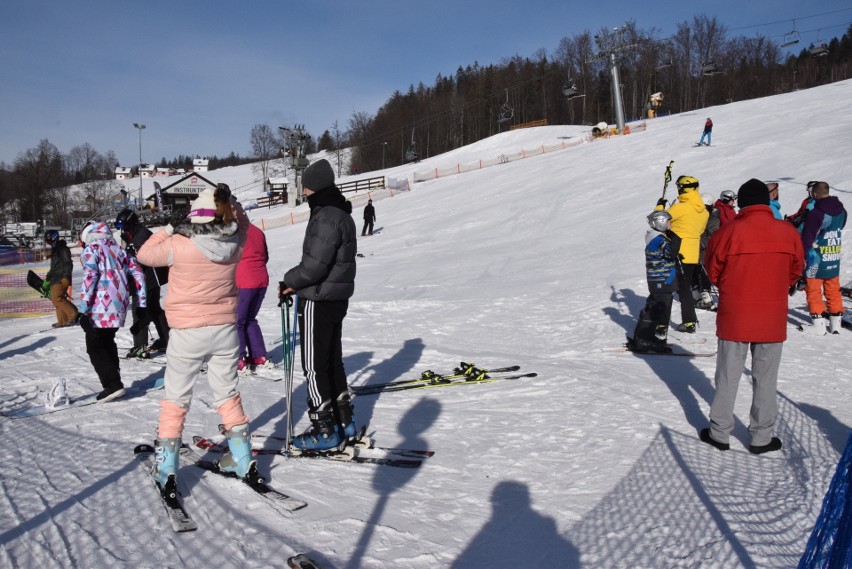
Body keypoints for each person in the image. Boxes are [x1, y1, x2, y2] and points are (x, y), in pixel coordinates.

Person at [137, 185, 257, 492]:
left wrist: (167, 227)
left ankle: (166, 469)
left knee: (176, 399)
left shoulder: (178, 243)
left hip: (188, 333)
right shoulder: (235, 242)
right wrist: (234, 208)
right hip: (225, 332)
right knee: (227, 393)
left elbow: (144, 254)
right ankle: (242, 459)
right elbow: (242, 224)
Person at [700, 179, 804, 454]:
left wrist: (731, 285)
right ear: (766, 202)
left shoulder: (728, 232)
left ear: (742, 202)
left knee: (727, 376)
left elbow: (712, 270)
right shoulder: (787, 232)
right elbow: (795, 270)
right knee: (766, 378)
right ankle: (761, 437)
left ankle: (719, 432)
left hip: (735, 314)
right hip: (771, 315)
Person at [278, 159, 357, 451]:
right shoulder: (341, 213)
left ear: (316, 185)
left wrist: (289, 280)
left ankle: (325, 429)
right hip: (336, 297)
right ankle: (344, 419)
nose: (304, 192)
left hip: (318, 298)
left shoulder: (325, 216)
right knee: (331, 361)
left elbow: (313, 266)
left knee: (313, 365)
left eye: (306, 186)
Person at [78, 221, 147, 402]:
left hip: (99, 305)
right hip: (119, 305)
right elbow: (139, 274)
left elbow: (90, 276)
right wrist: (141, 303)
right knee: (107, 341)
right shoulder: (121, 251)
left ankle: (112, 384)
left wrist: (83, 307)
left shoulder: (92, 249)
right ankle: (115, 380)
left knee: (95, 345)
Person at [655, 175, 709, 333]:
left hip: (675, 251)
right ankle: (690, 321)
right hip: (692, 254)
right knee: (684, 288)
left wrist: (660, 207)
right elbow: (698, 231)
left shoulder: (680, 208)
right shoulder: (703, 211)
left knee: (666, 288)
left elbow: (659, 222)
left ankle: (661, 324)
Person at [115, 209, 170, 357]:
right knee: (153, 310)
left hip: (147, 280)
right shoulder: (136, 234)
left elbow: (136, 259)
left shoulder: (142, 236)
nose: (123, 230)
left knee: (140, 312)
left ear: (131, 223)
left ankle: (140, 346)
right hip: (147, 279)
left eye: (125, 226)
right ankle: (167, 339)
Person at [627, 210, 681, 353]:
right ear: (661, 223)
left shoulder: (657, 237)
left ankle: (643, 337)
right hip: (660, 279)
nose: (671, 225)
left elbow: (666, 255)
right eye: (669, 222)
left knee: (655, 307)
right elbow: (670, 252)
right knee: (656, 309)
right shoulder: (658, 239)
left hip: (663, 279)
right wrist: (675, 238)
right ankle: (644, 340)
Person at [799, 181, 847, 335]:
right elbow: (840, 226)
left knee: (813, 290)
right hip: (833, 256)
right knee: (833, 289)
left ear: (814, 194)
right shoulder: (842, 211)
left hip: (816, 258)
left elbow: (807, 238)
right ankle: (836, 325)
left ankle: (819, 326)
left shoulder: (816, 213)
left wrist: (801, 255)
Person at [236, 222, 272, 373]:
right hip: (260, 279)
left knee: (237, 321)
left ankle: (239, 358)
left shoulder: (236, 231)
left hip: (244, 280)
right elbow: (265, 255)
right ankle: (258, 356)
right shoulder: (257, 231)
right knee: (250, 319)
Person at [44, 230, 79, 328]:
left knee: (57, 298)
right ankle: (62, 321)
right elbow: (55, 266)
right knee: (56, 300)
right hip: (55, 278)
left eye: (48, 238)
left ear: (53, 238)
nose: (47, 241)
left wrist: (65, 277)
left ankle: (73, 315)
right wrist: (48, 276)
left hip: (61, 278)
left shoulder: (63, 249)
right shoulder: (56, 249)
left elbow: (68, 264)